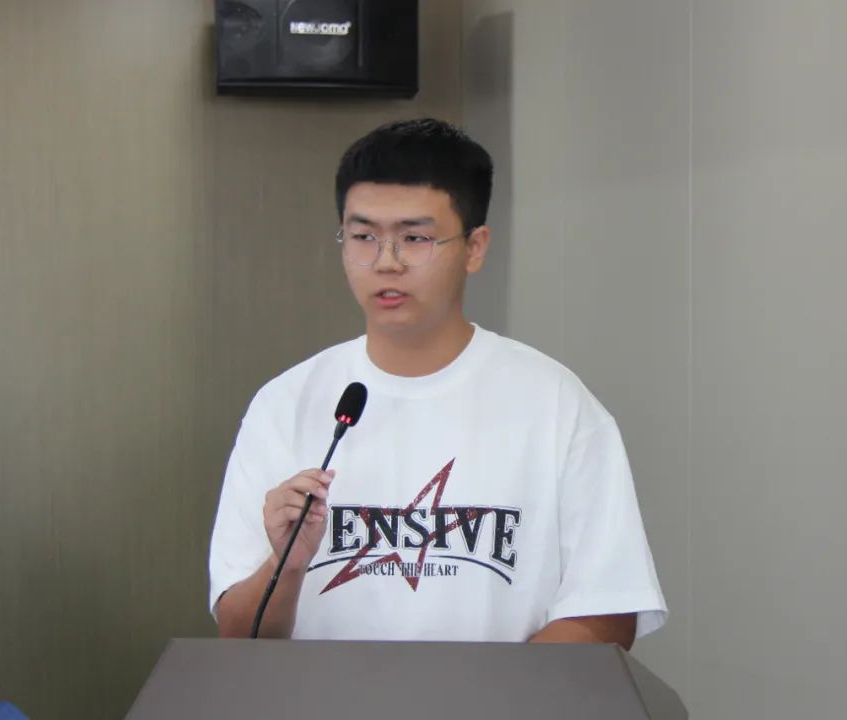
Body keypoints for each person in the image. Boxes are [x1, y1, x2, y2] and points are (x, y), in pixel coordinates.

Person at [208, 118, 666, 647]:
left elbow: (606, 615)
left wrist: (477, 692)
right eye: (363, 237)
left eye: (415, 238)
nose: (386, 262)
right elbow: (238, 633)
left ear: (475, 247)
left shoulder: (557, 404)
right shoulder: (285, 404)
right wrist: (285, 567)